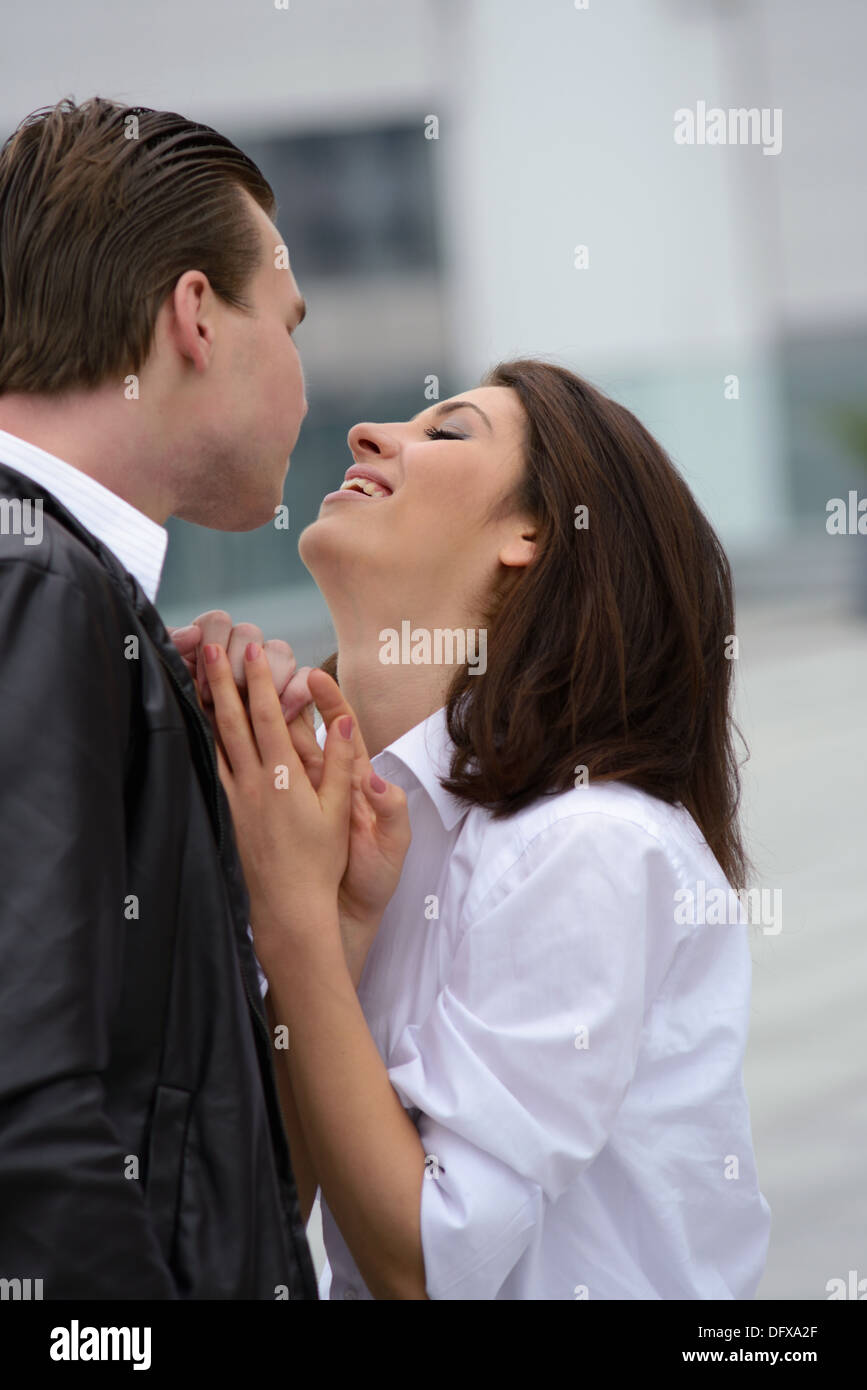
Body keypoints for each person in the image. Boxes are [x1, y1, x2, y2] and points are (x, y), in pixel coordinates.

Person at [186, 360, 773, 1300]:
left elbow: (424, 1263)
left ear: (532, 534)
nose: (368, 435)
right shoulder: (356, 834)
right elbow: (257, 1229)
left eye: (447, 432)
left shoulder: (589, 842)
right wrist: (324, 936)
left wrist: (292, 918)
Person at [0, 96, 317, 1297]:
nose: (303, 380)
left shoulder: (56, 589)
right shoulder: (36, 583)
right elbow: (26, 1121)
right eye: (288, 323)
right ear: (195, 314)